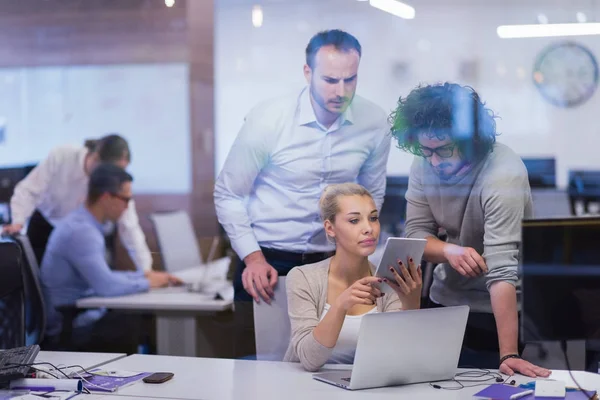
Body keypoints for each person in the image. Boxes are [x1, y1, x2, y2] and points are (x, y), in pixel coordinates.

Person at [214, 29, 391, 357]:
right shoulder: (268, 119)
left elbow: (372, 193)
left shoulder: (374, 121)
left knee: (325, 365)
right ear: (307, 72)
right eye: (330, 80)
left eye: (350, 80)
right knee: (256, 368)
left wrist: (356, 252)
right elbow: (228, 193)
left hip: (332, 264)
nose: (341, 91)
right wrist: (252, 258)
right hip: (267, 262)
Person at [389, 82, 550, 378]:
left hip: (498, 312)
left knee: (492, 387)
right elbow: (415, 234)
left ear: (472, 139)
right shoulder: (424, 162)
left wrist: (509, 354)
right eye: (425, 150)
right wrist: (449, 251)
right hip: (444, 301)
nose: (434, 161)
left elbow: (502, 270)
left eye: (444, 150)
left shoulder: (503, 174)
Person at [40, 163, 180, 353]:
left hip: (78, 314)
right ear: (107, 197)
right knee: (130, 321)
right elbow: (107, 285)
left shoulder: (86, 225)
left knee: (133, 318)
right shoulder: (81, 232)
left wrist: (144, 277)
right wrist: (147, 282)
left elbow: (106, 276)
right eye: (126, 199)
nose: (128, 206)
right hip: (70, 326)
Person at [283, 183, 422, 371]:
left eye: (373, 218)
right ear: (330, 228)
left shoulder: (389, 280)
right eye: (354, 220)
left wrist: (411, 304)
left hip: (367, 387)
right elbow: (310, 360)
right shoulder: (303, 278)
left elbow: (397, 358)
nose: (368, 228)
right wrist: (340, 305)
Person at [3, 134, 152, 271]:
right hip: (46, 225)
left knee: (97, 285)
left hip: (85, 235)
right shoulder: (63, 156)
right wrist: (18, 220)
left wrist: (146, 270)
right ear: (95, 157)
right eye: (114, 170)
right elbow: (28, 190)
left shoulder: (112, 182)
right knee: (37, 284)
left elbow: (130, 226)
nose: (117, 177)